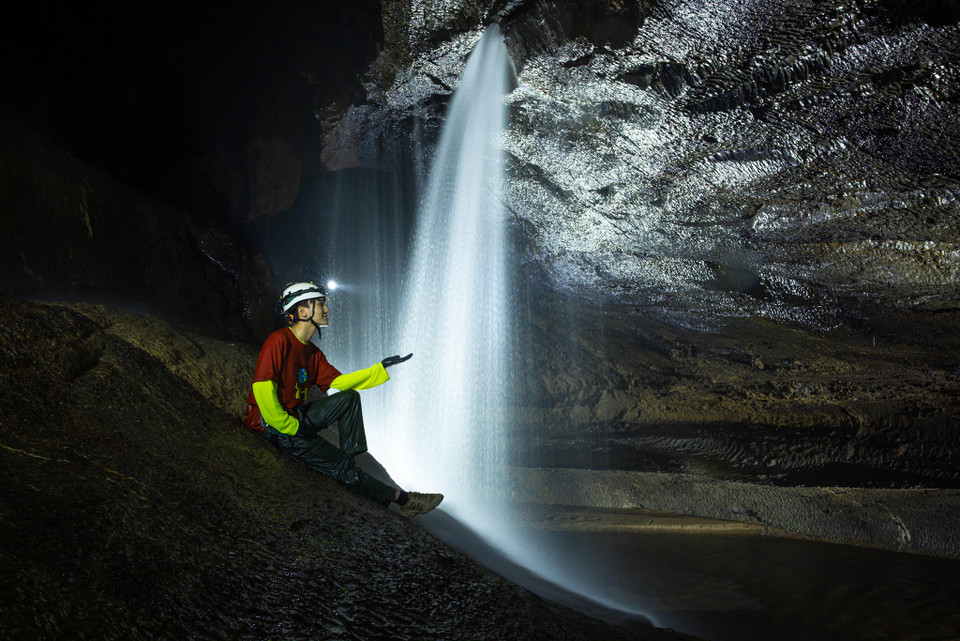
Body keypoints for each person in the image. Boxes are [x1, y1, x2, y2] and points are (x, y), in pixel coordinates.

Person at [244, 281, 443, 517]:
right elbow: (263, 391)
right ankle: (405, 500)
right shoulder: (278, 342)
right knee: (339, 466)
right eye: (320, 304)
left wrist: (379, 368)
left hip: (294, 418)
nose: (326, 309)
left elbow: (341, 383)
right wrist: (292, 428)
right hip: (270, 424)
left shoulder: (313, 353)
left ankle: (349, 460)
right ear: (302, 311)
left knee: (349, 398)